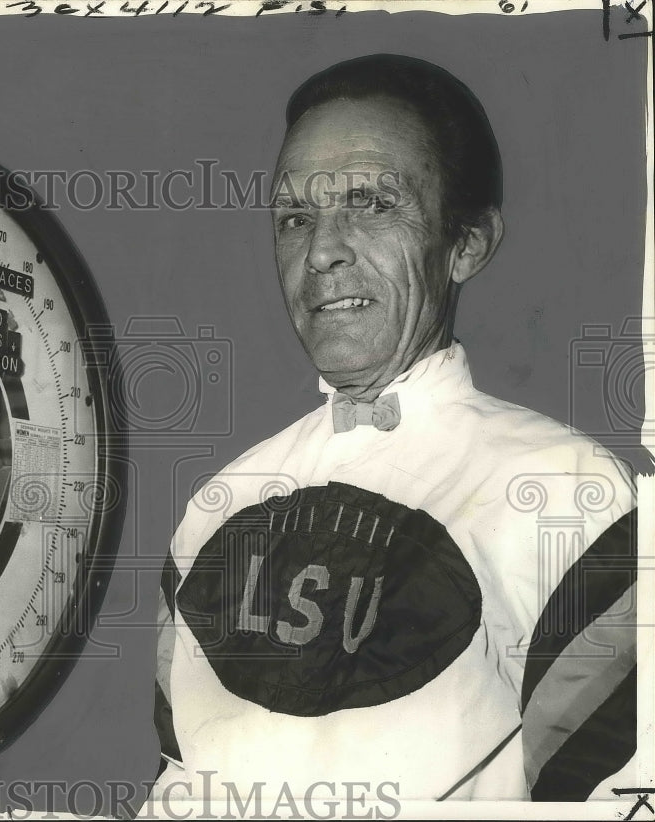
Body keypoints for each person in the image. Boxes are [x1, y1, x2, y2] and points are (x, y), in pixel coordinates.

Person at [151, 54, 637, 809]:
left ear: (466, 243)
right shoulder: (217, 504)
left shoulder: (575, 497)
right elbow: (175, 787)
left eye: (372, 204)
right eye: (293, 217)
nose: (320, 252)